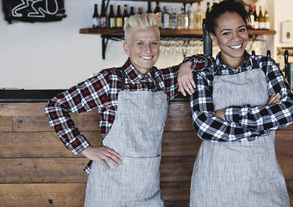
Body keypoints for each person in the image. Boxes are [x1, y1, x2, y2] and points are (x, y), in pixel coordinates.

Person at [45, 13, 211, 207]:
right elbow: (55, 107)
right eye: (140, 43)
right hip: (109, 187)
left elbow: (208, 61)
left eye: (154, 43)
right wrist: (85, 148)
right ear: (127, 47)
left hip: (148, 188)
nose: (148, 50)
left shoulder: (164, 80)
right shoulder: (110, 80)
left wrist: (187, 65)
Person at [189, 0, 293, 206]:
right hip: (216, 181)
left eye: (241, 30)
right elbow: (205, 128)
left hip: (263, 177)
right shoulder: (204, 74)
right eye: (226, 33)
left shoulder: (266, 66)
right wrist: (263, 118)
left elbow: (287, 112)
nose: (236, 38)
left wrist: (228, 115)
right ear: (213, 36)